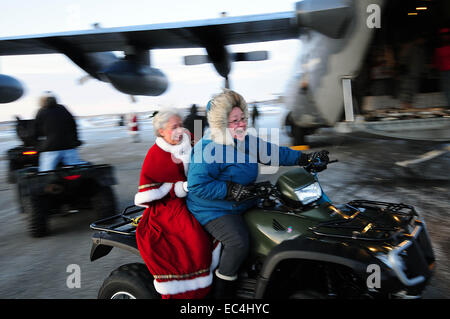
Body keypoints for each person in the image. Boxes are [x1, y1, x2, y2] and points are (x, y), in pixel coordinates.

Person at [186, 89, 329, 298]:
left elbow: (274, 153)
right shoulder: (208, 148)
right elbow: (196, 186)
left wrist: (306, 159)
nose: (241, 124)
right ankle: (222, 294)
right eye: (234, 120)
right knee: (238, 242)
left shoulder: (245, 140)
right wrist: (231, 190)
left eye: (242, 118)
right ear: (221, 123)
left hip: (242, 199)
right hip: (212, 208)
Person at [134, 109, 220, 299]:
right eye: (174, 126)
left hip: (196, 192)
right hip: (169, 203)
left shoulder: (188, 139)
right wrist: (183, 187)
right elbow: (155, 191)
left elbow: (207, 151)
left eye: (180, 124)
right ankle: (191, 287)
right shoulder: (155, 155)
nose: (180, 129)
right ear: (161, 131)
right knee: (191, 234)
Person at [33, 92, 85, 172]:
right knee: (76, 171)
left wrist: (38, 145)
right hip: (69, 147)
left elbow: (36, 131)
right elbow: (73, 126)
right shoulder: (63, 109)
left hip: (50, 149)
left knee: (45, 174)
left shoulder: (41, 111)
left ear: (41, 101)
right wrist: (75, 141)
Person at [434, 28, 450, 108]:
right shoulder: (439, 46)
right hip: (443, 70)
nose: (445, 37)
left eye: (446, 35)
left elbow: (437, 59)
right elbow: (437, 59)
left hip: (445, 69)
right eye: (443, 35)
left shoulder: (440, 46)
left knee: (447, 88)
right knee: (446, 88)